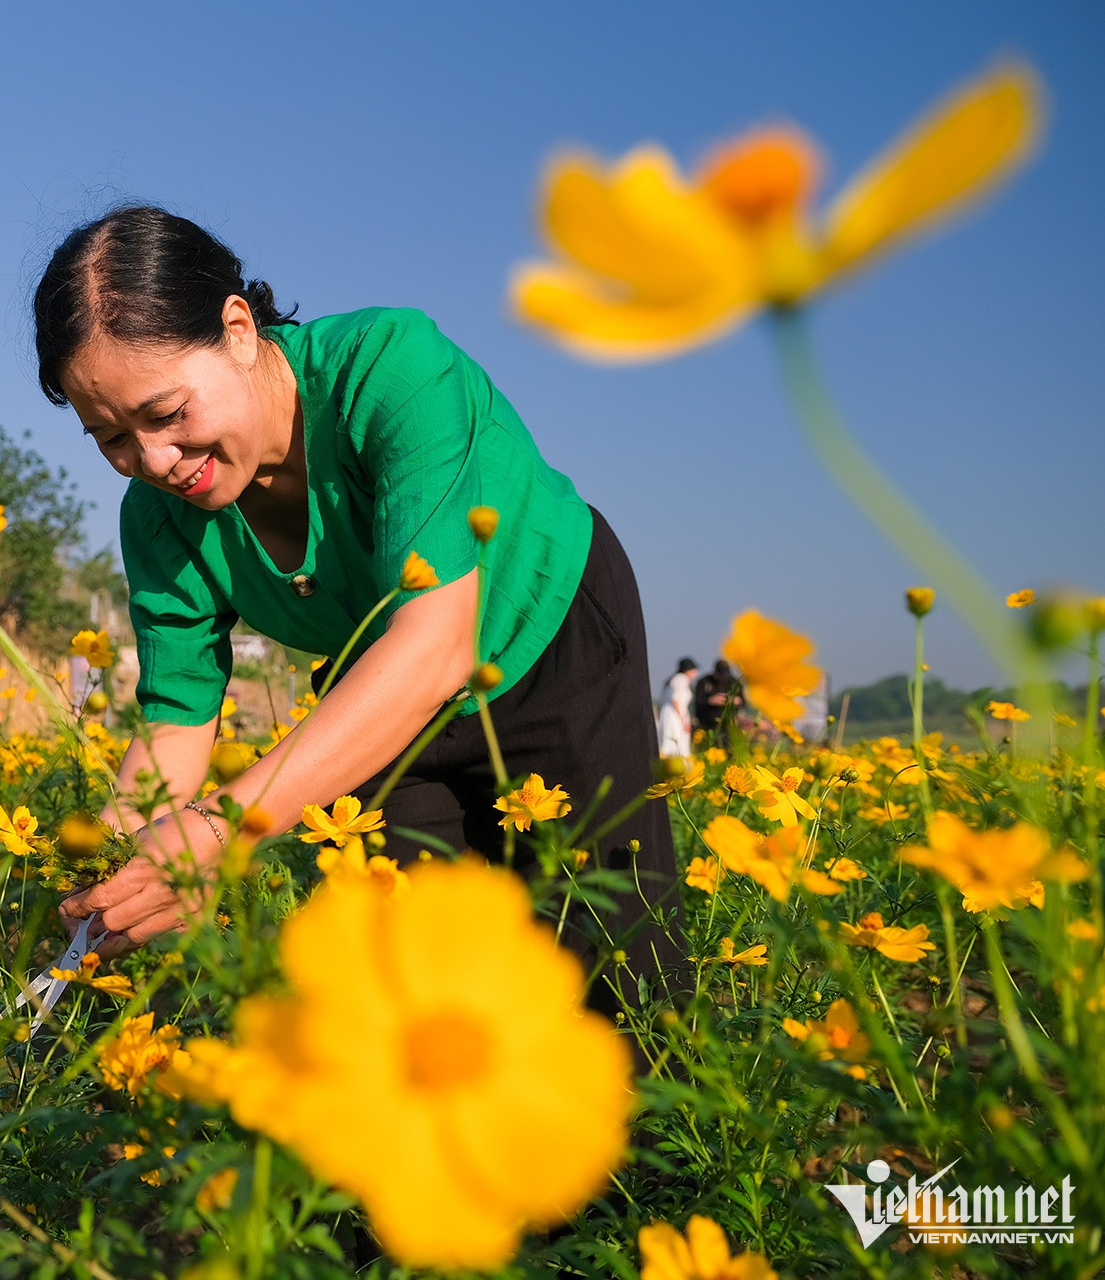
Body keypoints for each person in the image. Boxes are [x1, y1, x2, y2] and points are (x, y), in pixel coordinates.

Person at [37, 206, 682, 1005]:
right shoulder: (158, 517)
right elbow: (176, 720)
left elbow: (433, 647)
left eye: (166, 414)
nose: (156, 461)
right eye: (112, 440)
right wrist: (108, 876)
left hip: (546, 647)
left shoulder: (392, 371)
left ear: (237, 328)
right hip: (374, 701)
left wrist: (215, 833)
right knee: (404, 982)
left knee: (610, 961)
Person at [692, 658, 742, 741]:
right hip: (707, 723)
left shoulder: (735, 682)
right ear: (715, 672)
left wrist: (736, 701)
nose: (722, 679)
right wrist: (710, 701)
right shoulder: (704, 682)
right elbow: (697, 702)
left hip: (728, 724)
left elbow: (743, 703)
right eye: (720, 675)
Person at [657, 657, 697, 759]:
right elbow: (676, 700)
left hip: (670, 713)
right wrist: (682, 720)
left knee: (671, 740)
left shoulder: (674, 679)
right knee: (676, 740)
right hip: (675, 714)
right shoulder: (682, 679)